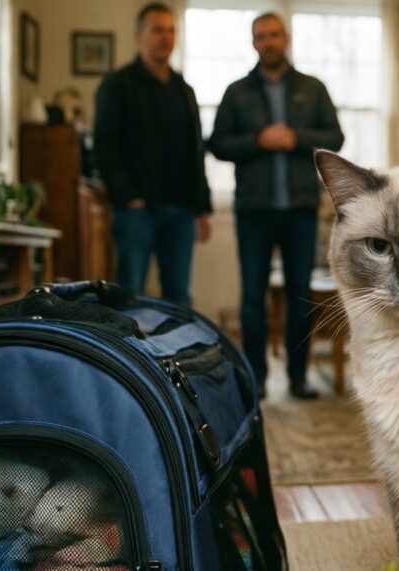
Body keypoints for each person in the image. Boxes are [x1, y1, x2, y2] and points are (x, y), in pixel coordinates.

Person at [209, 13, 343, 400]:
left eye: (273, 35)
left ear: (285, 39)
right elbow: (217, 144)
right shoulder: (237, 92)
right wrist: (258, 140)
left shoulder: (313, 88)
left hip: (301, 208)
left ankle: (299, 377)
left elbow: (335, 136)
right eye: (260, 37)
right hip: (253, 210)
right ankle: (257, 379)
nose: (267, 42)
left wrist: (296, 138)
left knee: (299, 292)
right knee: (253, 296)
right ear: (254, 44)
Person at [94, 2, 211, 305]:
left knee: (179, 297)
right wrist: (127, 197)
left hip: (182, 211)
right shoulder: (118, 85)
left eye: (171, 31)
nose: (165, 37)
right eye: (157, 30)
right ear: (139, 36)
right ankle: (127, 353)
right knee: (129, 292)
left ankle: (176, 354)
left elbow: (196, 150)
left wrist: (202, 207)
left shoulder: (184, 90)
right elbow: (105, 146)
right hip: (137, 211)